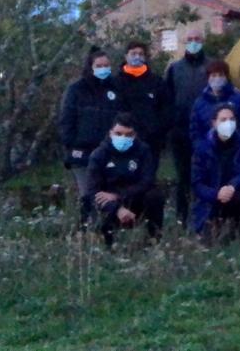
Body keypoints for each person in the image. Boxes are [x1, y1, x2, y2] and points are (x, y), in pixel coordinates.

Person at [59, 48, 123, 227]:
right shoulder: (76, 89)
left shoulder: (115, 88)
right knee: (88, 193)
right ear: (91, 66)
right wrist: (71, 144)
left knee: (107, 194)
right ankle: (86, 229)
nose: (103, 68)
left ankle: (106, 232)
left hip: (109, 152)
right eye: (99, 65)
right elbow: (66, 120)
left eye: (106, 65)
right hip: (82, 152)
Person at [85, 112, 165, 247]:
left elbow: (147, 181)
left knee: (155, 196)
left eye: (128, 135)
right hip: (108, 203)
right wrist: (117, 209)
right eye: (119, 133)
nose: (123, 138)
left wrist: (119, 196)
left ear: (135, 135)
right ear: (111, 133)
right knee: (93, 201)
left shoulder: (143, 151)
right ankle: (107, 246)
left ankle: (153, 241)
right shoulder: (99, 155)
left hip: (133, 198)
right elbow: (93, 191)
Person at [191, 103, 240, 239]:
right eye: (223, 119)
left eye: (232, 119)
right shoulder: (203, 148)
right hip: (211, 200)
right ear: (214, 123)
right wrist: (217, 194)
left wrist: (233, 185)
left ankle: (237, 232)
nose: (228, 123)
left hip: (236, 195)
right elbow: (197, 183)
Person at [164, 29, 210, 225]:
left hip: (207, 132)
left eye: (197, 39)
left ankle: (207, 217)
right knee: (183, 177)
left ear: (203, 41)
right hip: (181, 132)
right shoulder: (175, 69)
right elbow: (167, 99)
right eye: (190, 39)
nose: (193, 42)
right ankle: (181, 220)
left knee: (207, 174)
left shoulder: (212, 67)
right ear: (184, 42)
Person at [112, 40, 173, 168]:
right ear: (126, 56)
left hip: (151, 142)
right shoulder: (116, 82)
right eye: (133, 53)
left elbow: (167, 109)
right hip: (125, 140)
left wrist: (158, 130)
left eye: (141, 54)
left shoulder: (156, 81)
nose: (137, 57)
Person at [189, 60, 240, 148]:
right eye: (213, 75)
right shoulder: (200, 102)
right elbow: (195, 130)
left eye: (221, 75)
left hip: (234, 150)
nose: (217, 78)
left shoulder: (238, 99)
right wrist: (201, 147)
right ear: (208, 78)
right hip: (208, 151)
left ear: (226, 77)